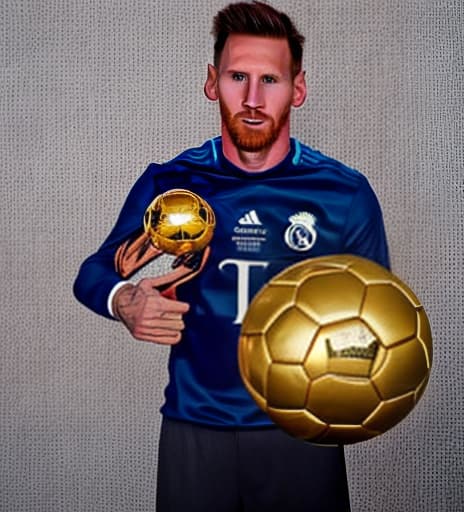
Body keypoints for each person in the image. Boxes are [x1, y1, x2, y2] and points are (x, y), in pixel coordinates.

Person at [74, 2, 389, 511]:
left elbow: (375, 321)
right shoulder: (174, 184)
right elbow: (93, 272)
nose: (251, 98)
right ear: (211, 82)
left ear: (298, 88)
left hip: (301, 435)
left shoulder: (343, 193)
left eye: (270, 80)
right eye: (237, 76)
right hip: (195, 429)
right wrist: (123, 299)